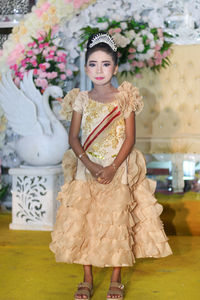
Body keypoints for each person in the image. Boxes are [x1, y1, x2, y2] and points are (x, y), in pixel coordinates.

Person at [50, 32, 172, 300]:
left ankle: (116, 278)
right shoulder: (80, 99)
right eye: (93, 64)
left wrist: (112, 167)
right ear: (85, 68)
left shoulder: (124, 97)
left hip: (118, 169)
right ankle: (87, 277)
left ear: (115, 67)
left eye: (106, 64)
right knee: (87, 220)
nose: (99, 70)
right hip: (88, 168)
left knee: (117, 220)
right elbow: (73, 137)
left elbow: (130, 138)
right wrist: (91, 165)